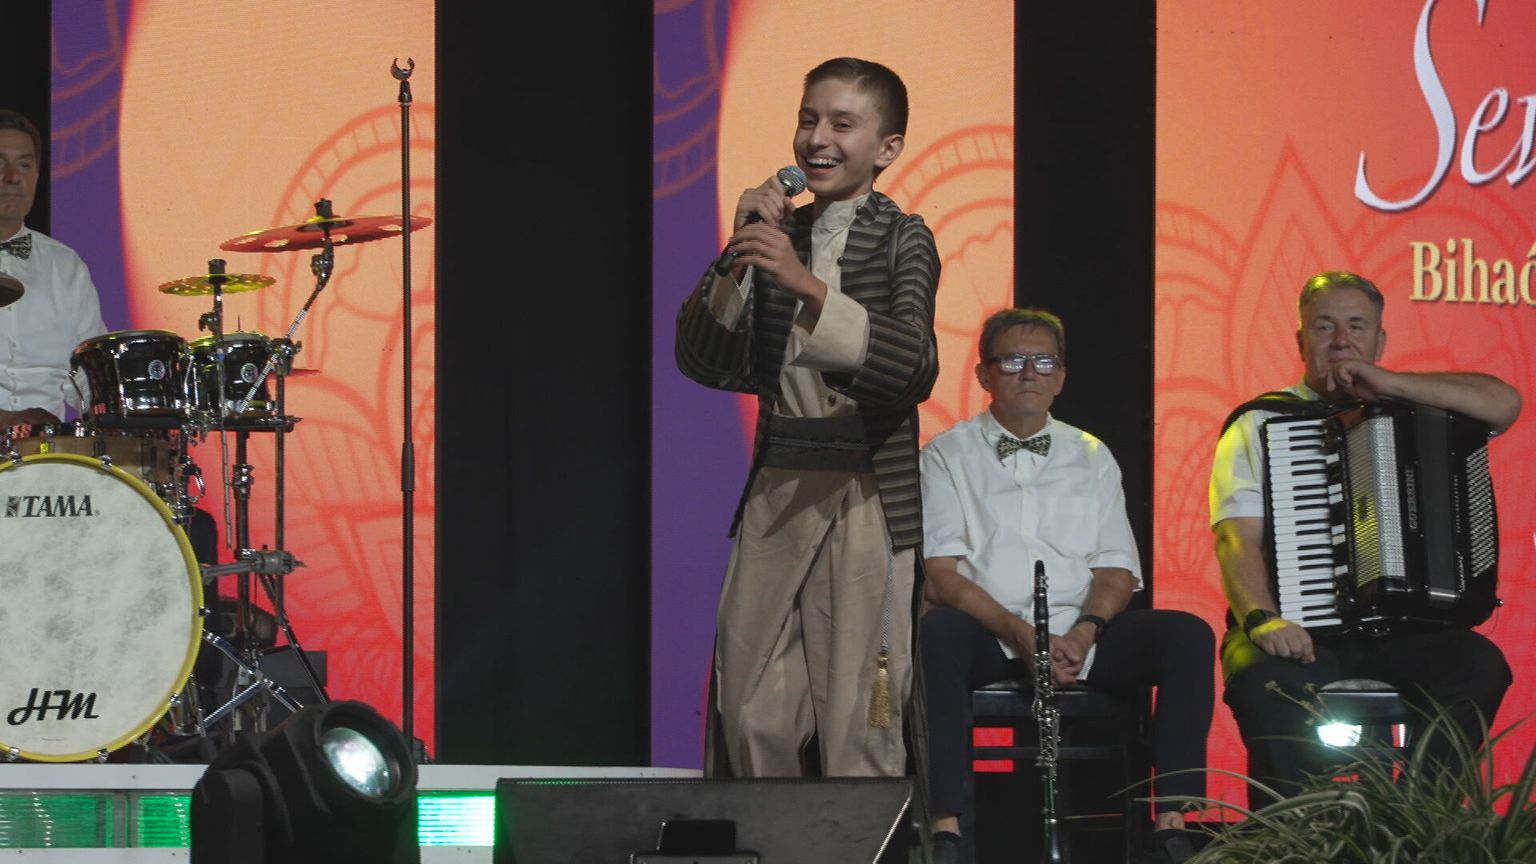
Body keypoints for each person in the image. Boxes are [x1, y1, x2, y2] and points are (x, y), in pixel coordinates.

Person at [675, 57, 940, 778]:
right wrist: (737, 255)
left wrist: (809, 288)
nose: (818, 139)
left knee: (863, 712)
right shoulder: (777, 235)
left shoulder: (903, 237)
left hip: (867, 493)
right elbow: (706, 362)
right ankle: (769, 833)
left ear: (886, 147)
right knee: (749, 704)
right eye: (808, 120)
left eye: (842, 124)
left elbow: (913, 367)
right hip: (778, 490)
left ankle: (864, 835)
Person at [1210, 270, 1521, 808]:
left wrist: (1391, 384)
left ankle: (1415, 821)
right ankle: (1292, 833)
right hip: (1295, 632)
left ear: (1380, 341)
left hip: (1401, 635)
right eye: (1324, 326)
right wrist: (1262, 618)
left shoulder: (1416, 408)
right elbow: (1236, 539)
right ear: (1301, 341)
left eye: (1357, 326)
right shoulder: (1261, 421)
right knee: (1265, 681)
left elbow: (1505, 402)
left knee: (1479, 665)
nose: (1341, 340)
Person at [920, 308, 1213, 864]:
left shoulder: (1092, 455)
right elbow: (942, 574)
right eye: (1013, 361)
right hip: (991, 632)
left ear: (1061, 377)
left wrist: (1084, 632)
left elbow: (1117, 569)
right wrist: (1020, 632)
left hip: (1080, 637)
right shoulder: (945, 455)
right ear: (984, 375)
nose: (1030, 372)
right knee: (938, 634)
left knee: (1187, 635)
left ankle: (1172, 823)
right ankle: (947, 828)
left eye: (1044, 361)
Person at [0, 109, 106, 427]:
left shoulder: (66, 266)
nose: (12, 177)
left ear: (36, 175)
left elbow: (90, 379)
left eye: (24, 165)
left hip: (46, 449)